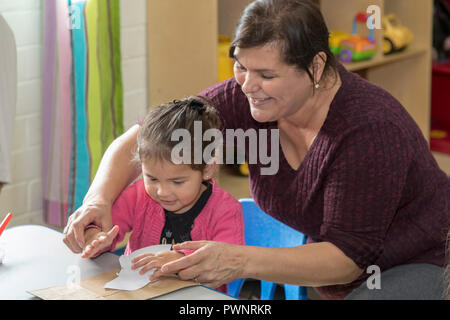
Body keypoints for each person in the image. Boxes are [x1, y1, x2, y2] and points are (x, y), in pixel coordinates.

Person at [64, 0, 450, 299]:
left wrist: (236, 260)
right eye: (240, 67)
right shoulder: (249, 99)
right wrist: (98, 200)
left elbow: (347, 260)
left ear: (316, 68)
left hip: (427, 260)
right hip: (337, 277)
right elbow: (145, 137)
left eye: (267, 74)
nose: (248, 85)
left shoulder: (369, 131)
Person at [67, 97, 244, 294]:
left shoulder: (226, 209)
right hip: (138, 293)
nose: (162, 192)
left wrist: (180, 260)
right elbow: (107, 229)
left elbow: (226, 263)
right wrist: (95, 238)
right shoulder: (138, 195)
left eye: (177, 182)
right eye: (152, 178)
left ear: (207, 169)